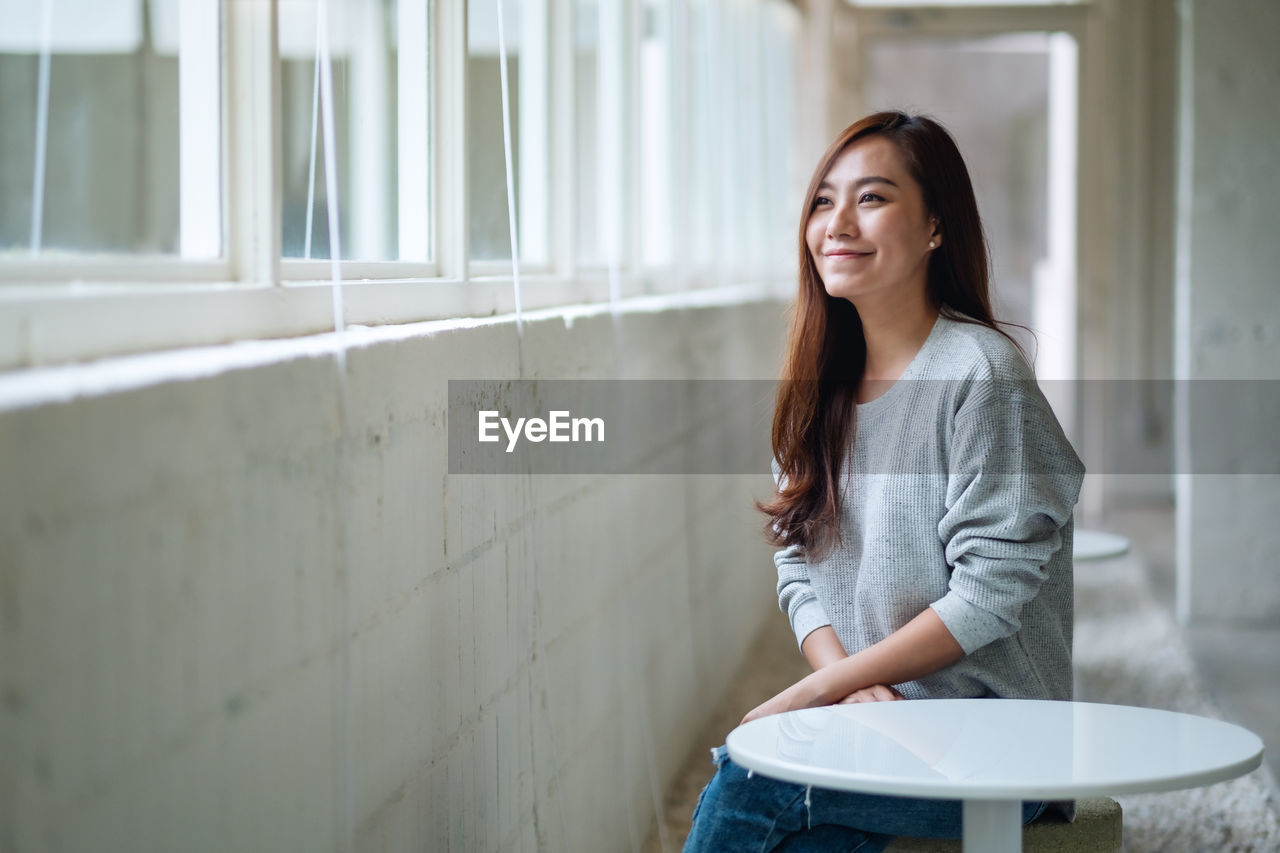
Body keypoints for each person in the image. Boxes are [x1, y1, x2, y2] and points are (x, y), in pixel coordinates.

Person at [682, 111, 1085, 852]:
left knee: (750, 778)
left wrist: (809, 693)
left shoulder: (981, 374)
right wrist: (845, 687)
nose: (837, 223)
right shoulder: (817, 388)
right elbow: (797, 566)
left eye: (871, 198)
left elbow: (987, 595)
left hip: (1000, 744)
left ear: (936, 225)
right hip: (875, 723)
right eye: (822, 201)